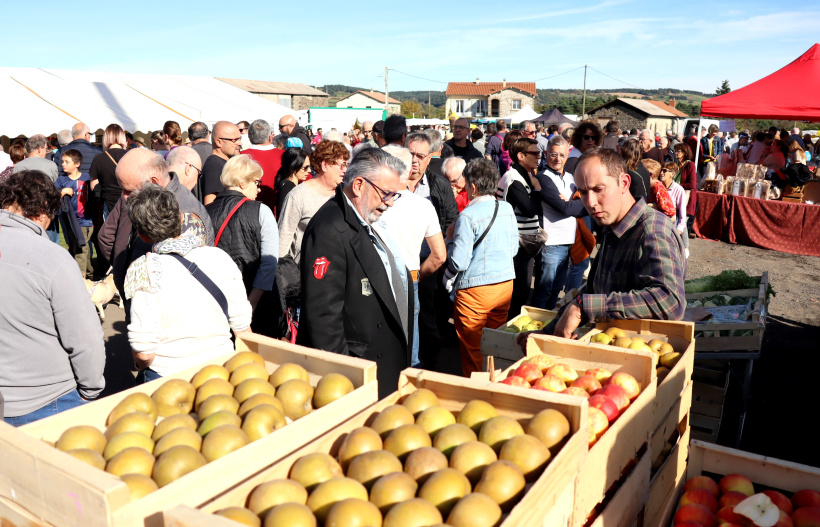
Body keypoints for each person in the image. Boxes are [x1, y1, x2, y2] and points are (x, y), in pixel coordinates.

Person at [519, 148, 686, 345]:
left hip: (641, 362)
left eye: (599, 189)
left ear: (624, 183)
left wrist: (584, 306)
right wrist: (546, 332)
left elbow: (670, 301)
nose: (590, 202)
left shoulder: (653, 230)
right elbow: (594, 291)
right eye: (582, 192)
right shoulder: (612, 227)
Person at [298, 149, 412, 399]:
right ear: (359, 185)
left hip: (381, 362)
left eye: (395, 195)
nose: (390, 202)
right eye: (386, 194)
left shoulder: (363, 217)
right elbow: (323, 319)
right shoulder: (331, 229)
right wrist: (347, 384)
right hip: (360, 374)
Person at [0, 171, 105, 424]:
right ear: (43, 210)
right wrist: (91, 391)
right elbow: (84, 338)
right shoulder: (53, 259)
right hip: (48, 399)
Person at [125, 185, 252, 382]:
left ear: (142, 235)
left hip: (168, 378)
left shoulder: (144, 270)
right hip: (220, 372)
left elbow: (144, 353)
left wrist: (139, 367)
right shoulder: (219, 257)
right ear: (181, 219)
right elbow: (243, 330)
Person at [98, 148, 214, 303]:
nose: (124, 197)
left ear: (153, 182)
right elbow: (106, 237)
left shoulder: (186, 213)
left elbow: (189, 279)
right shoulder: (139, 196)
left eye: (128, 190)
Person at [446, 158, 518, 375]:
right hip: (504, 284)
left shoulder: (467, 215)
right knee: (495, 346)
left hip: (475, 290)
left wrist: (450, 241)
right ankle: (495, 382)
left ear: (474, 187)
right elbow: (514, 248)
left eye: (466, 184)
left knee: (473, 351)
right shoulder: (506, 208)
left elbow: (459, 261)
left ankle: (477, 390)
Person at [378, 146, 446, 368]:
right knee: (411, 347)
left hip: (378, 278)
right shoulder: (423, 205)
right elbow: (439, 256)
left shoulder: (374, 203)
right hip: (410, 279)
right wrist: (415, 277)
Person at [205, 155, 278, 333]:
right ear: (243, 183)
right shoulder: (261, 211)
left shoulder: (204, 211)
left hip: (214, 305)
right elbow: (269, 264)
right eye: (257, 182)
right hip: (255, 306)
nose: (259, 189)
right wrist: (249, 308)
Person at [531, 135, 589, 310]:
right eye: (554, 154)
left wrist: (573, 203)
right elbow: (564, 208)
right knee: (544, 291)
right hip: (551, 243)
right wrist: (573, 204)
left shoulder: (571, 177)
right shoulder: (543, 177)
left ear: (567, 155)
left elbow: (587, 202)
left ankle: (548, 327)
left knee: (556, 290)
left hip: (568, 241)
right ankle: (535, 329)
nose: (558, 159)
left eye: (562, 155)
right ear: (546, 154)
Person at [278, 140, 349, 264]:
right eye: (341, 165)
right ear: (325, 165)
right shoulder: (298, 196)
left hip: (337, 272)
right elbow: (283, 240)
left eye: (346, 165)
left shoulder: (344, 194)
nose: (345, 170)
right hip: (304, 273)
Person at [497, 137, 543, 318]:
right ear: (521, 156)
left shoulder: (524, 176)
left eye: (539, 153)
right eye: (535, 153)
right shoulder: (514, 178)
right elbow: (530, 209)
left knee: (522, 290)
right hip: (517, 245)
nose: (539, 157)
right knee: (519, 292)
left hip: (524, 244)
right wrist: (538, 190)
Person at [56, 149, 95, 278]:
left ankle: (79, 277)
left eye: (67, 161)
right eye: (62, 161)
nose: (63, 164)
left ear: (77, 164)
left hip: (85, 220)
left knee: (80, 247)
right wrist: (62, 191)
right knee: (79, 246)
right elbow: (52, 195)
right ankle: (90, 271)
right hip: (69, 221)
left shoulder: (87, 179)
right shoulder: (61, 180)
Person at [243, 119, 284, 212]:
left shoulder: (240, 157)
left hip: (248, 210)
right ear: (270, 135)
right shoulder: (284, 156)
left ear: (249, 136)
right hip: (278, 211)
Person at [89, 124, 128, 220]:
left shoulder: (99, 158)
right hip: (128, 200)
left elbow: (93, 185)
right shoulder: (131, 156)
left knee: (110, 232)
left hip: (108, 202)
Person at [201, 121, 243, 205]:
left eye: (240, 139)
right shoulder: (215, 166)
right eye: (235, 140)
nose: (240, 143)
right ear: (219, 142)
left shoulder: (223, 163)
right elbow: (211, 205)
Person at [660, 161, 689, 257]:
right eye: (661, 170)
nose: (661, 173)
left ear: (672, 174)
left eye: (664, 171)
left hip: (671, 226)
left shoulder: (678, 189)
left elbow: (682, 213)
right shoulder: (658, 187)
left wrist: (678, 230)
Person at [274, 148, 310, 217]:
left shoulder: (288, 185)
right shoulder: (288, 188)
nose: (309, 171)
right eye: (305, 168)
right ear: (293, 168)